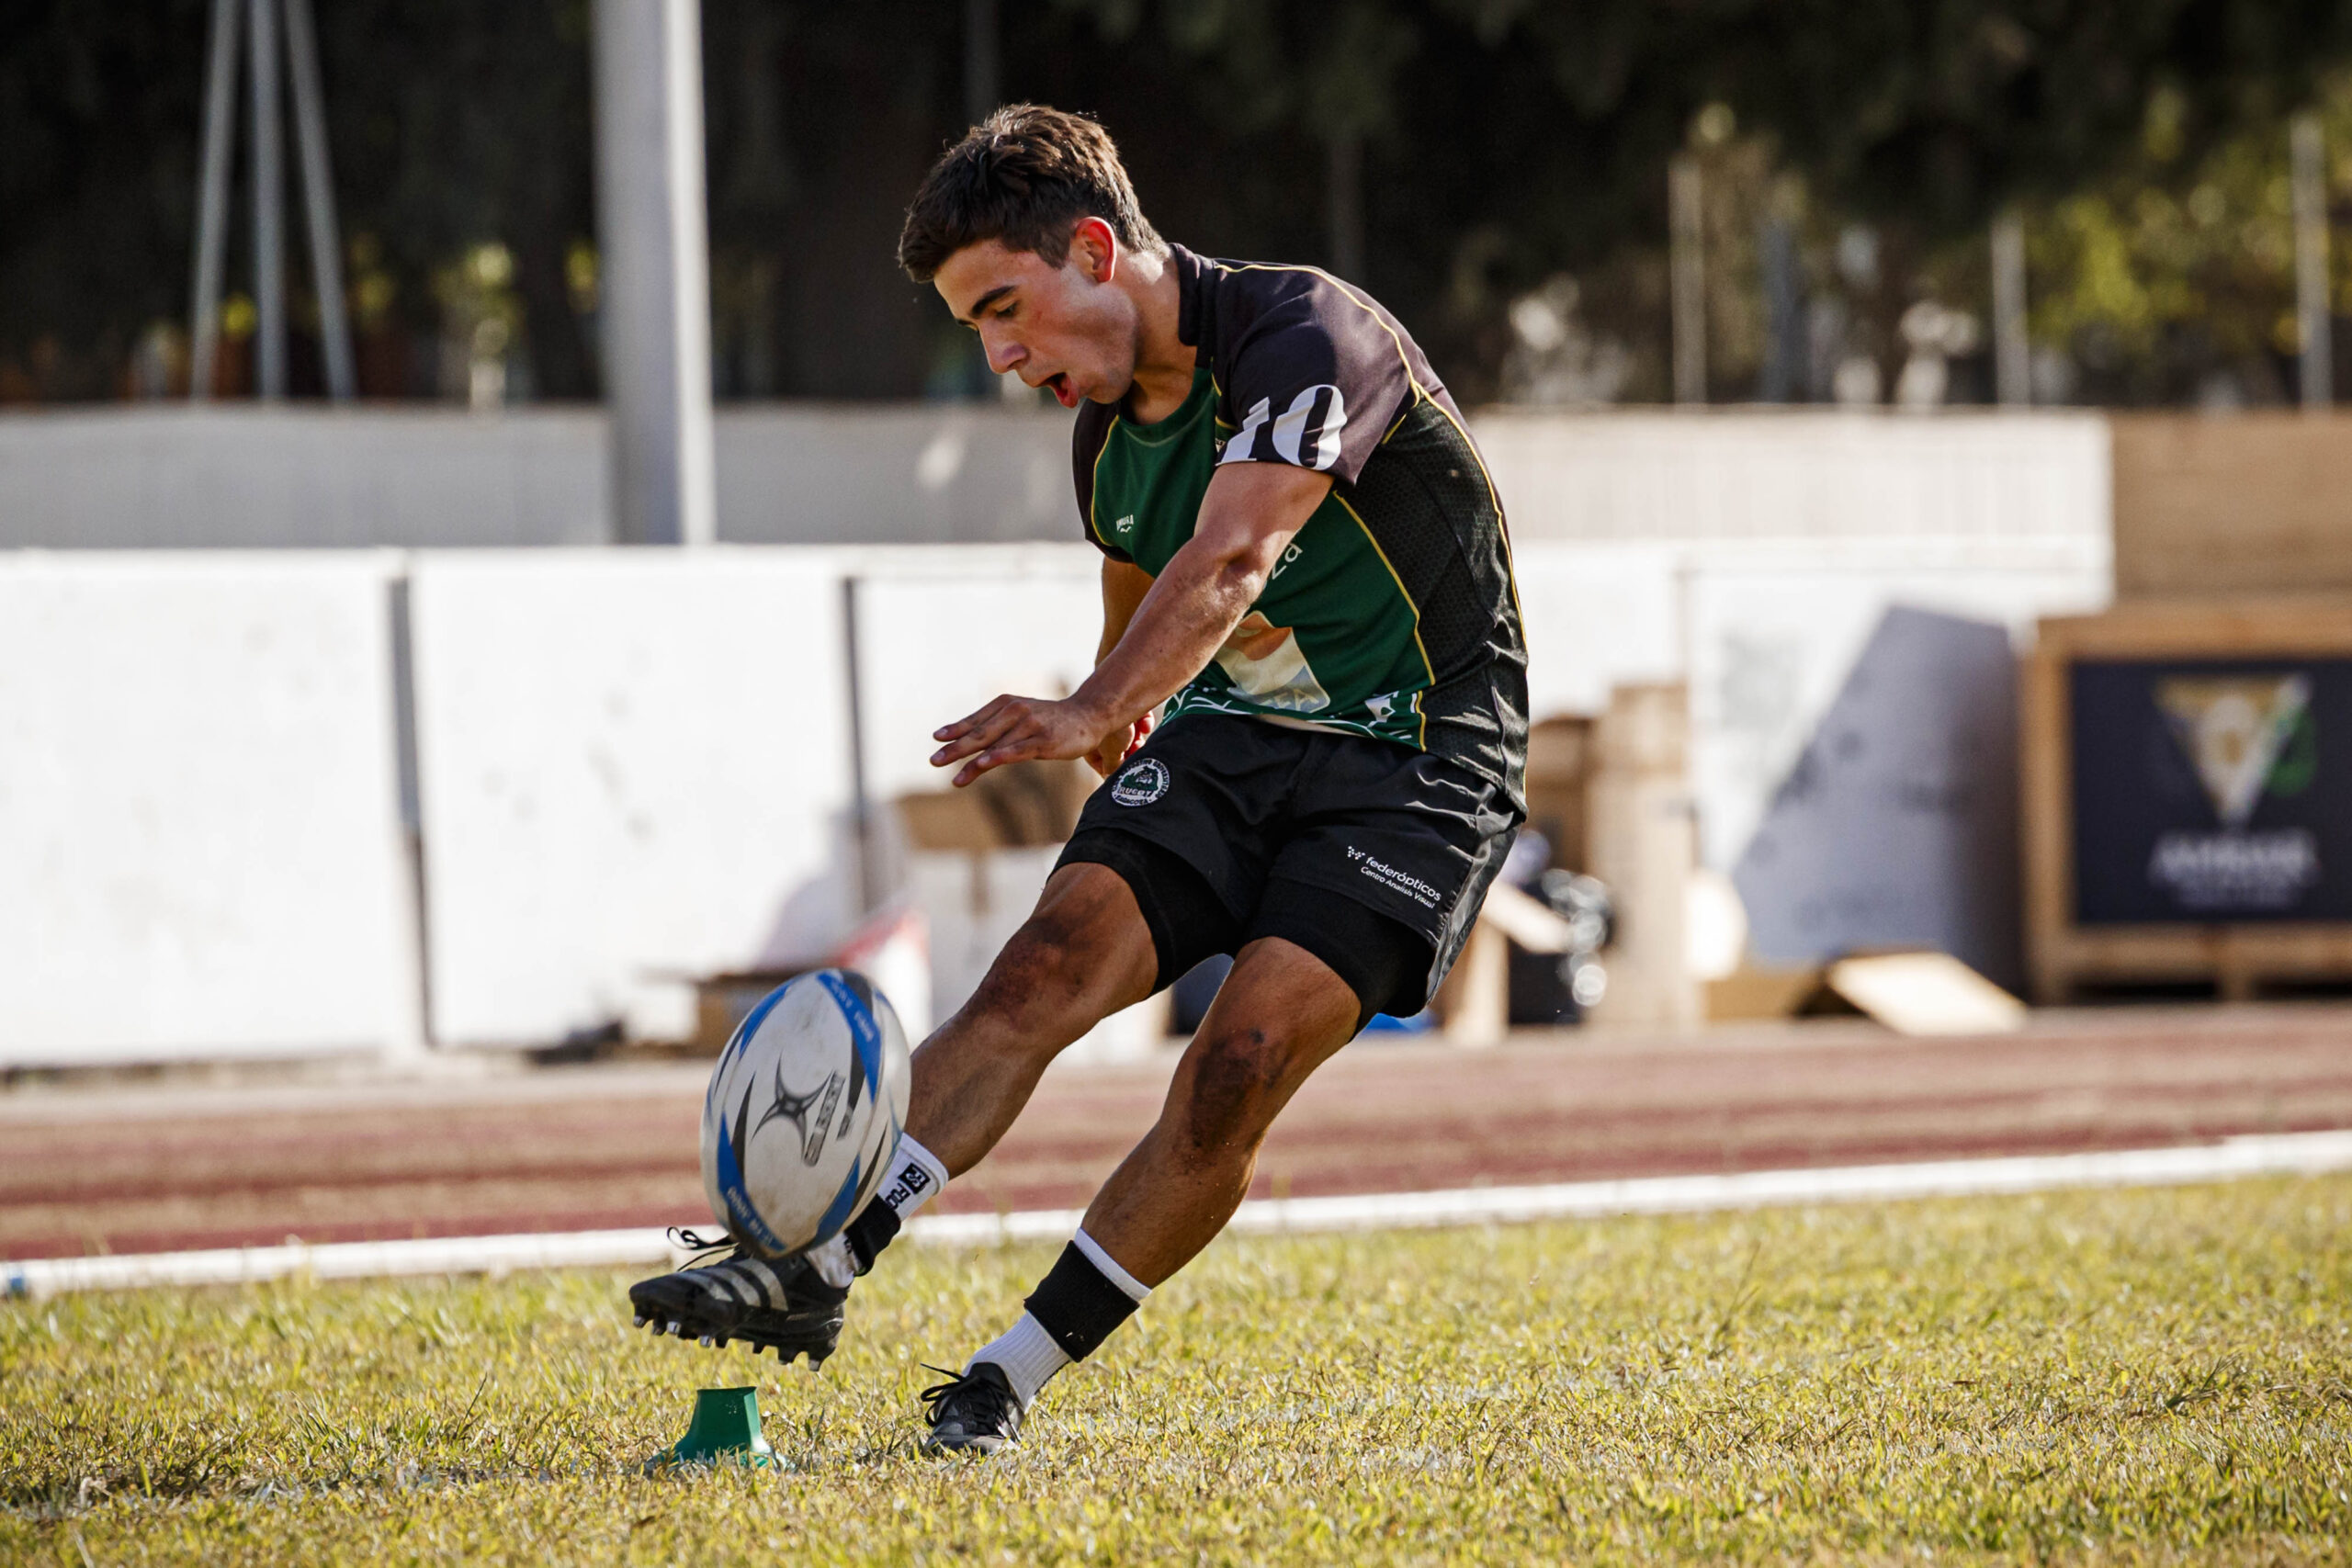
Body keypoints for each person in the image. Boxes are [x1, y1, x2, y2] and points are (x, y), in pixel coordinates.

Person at [629, 103, 1528, 1454]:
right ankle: (818, 1266)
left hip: (1421, 753)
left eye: (1006, 309)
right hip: (1235, 732)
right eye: (973, 330)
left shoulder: (1306, 335)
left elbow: (1230, 558)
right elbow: (1140, 564)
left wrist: (1094, 704)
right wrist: (1119, 721)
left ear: (1097, 251)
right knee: (1042, 969)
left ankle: (1005, 1376)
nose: (999, 357)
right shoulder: (1104, 428)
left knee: (1240, 1058)